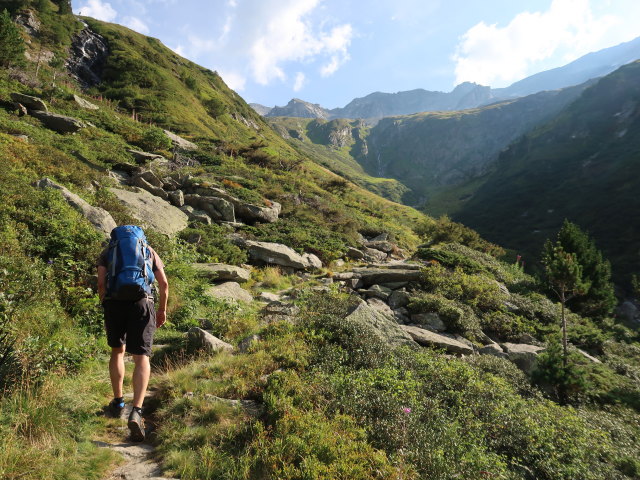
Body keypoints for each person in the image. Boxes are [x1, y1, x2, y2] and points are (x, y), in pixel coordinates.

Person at [96, 226, 169, 442]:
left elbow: (101, 283)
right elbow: (163, 284)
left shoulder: (108, 252)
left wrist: (105, 305)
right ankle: (136, 411)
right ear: (140, 236)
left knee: (117, 352)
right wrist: (162, 310)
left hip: (114, 303)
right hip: (143, 303)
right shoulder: (148, 250)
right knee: (141, 357)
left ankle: (118, 402)